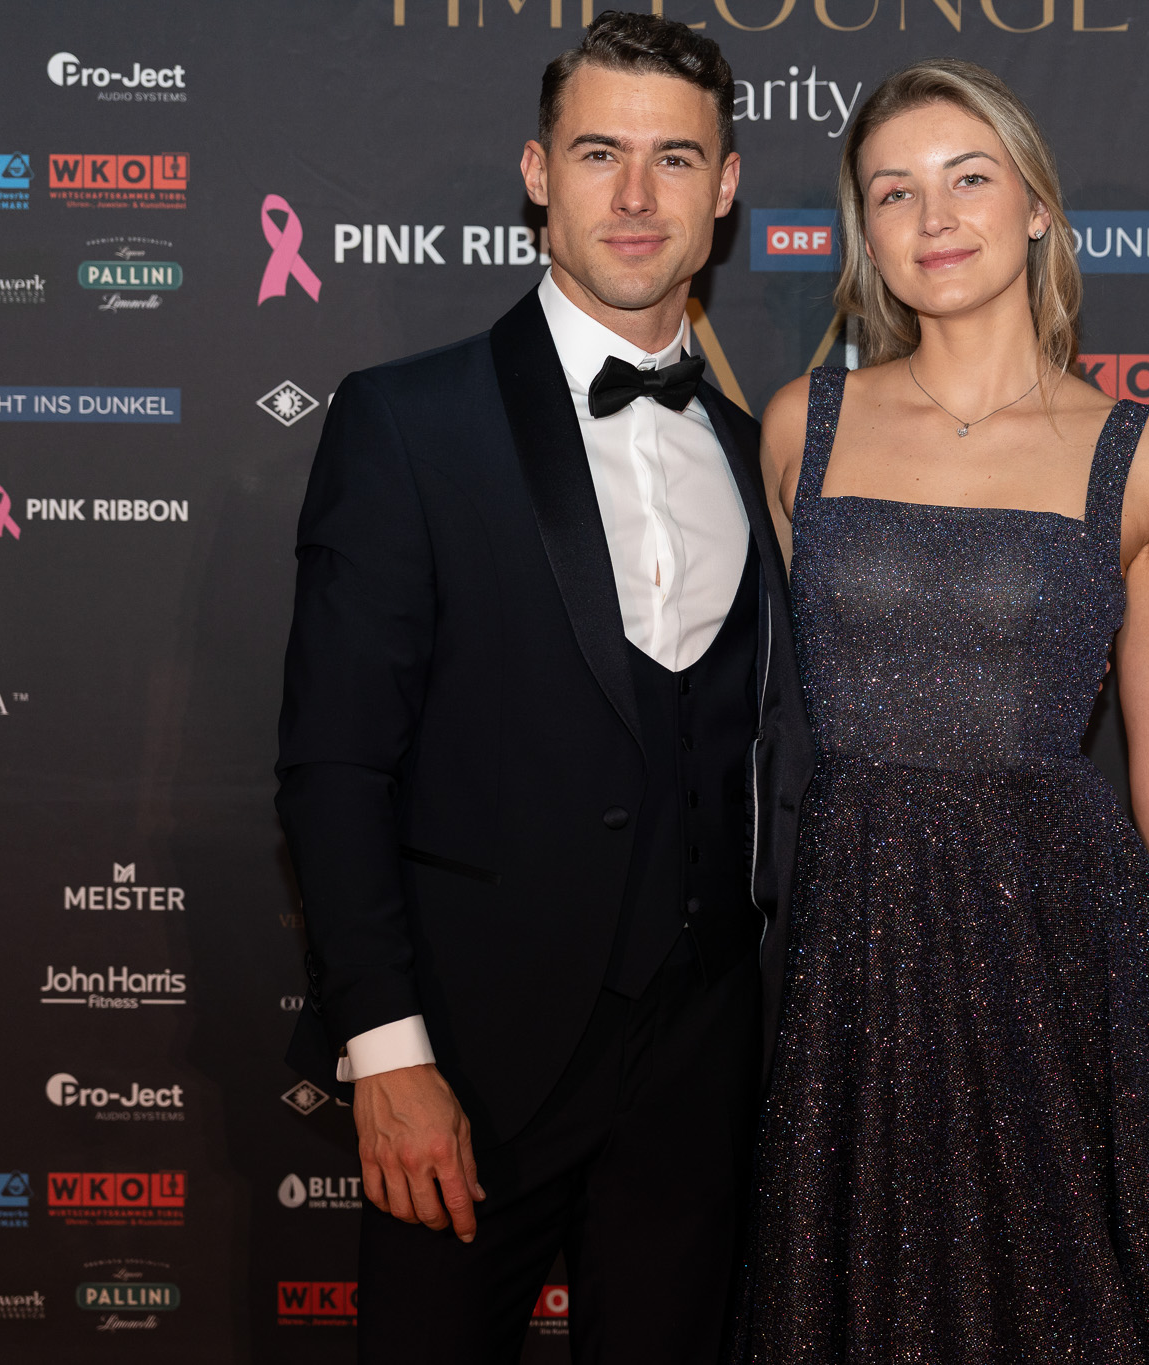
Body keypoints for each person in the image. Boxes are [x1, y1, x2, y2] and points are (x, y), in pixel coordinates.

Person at [273, 13, 809, 1362]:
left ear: (726, 188)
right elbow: (335, 765)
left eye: (674, 159)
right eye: (597, 153)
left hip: (699, 1077)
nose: (636, 197)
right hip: (465, 1068)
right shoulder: (407, 421)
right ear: (537, 172)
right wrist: (387, 1052)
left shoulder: (758, 449)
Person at [731, 59, 1149, 1362]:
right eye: (894, 191)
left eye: (968, 178)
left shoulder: (1148, 458)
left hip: (1056, 940)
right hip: (851, 940)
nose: (935, 217)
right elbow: (777, 727)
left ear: (1035, 206)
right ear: (867, 232)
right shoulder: (804, 425)